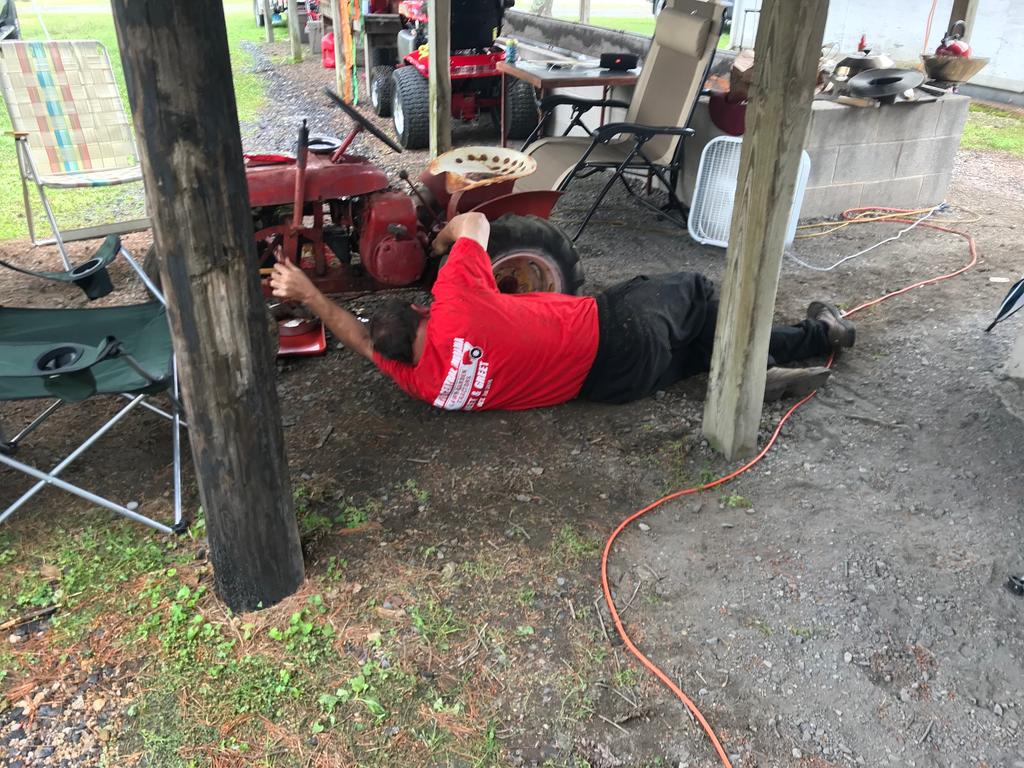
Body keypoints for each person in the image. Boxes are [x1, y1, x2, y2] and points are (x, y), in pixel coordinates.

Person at [269, 212, 854, 411]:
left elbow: (358, 337)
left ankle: (812, 338)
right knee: (697, 295)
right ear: (421, 310)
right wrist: (441, 243)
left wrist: (313, 298)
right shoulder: (454, 304)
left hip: (612, 387)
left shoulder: (422, 384)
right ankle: (770, 360)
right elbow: (477, 223)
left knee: (707, 347)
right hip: (615, 331)